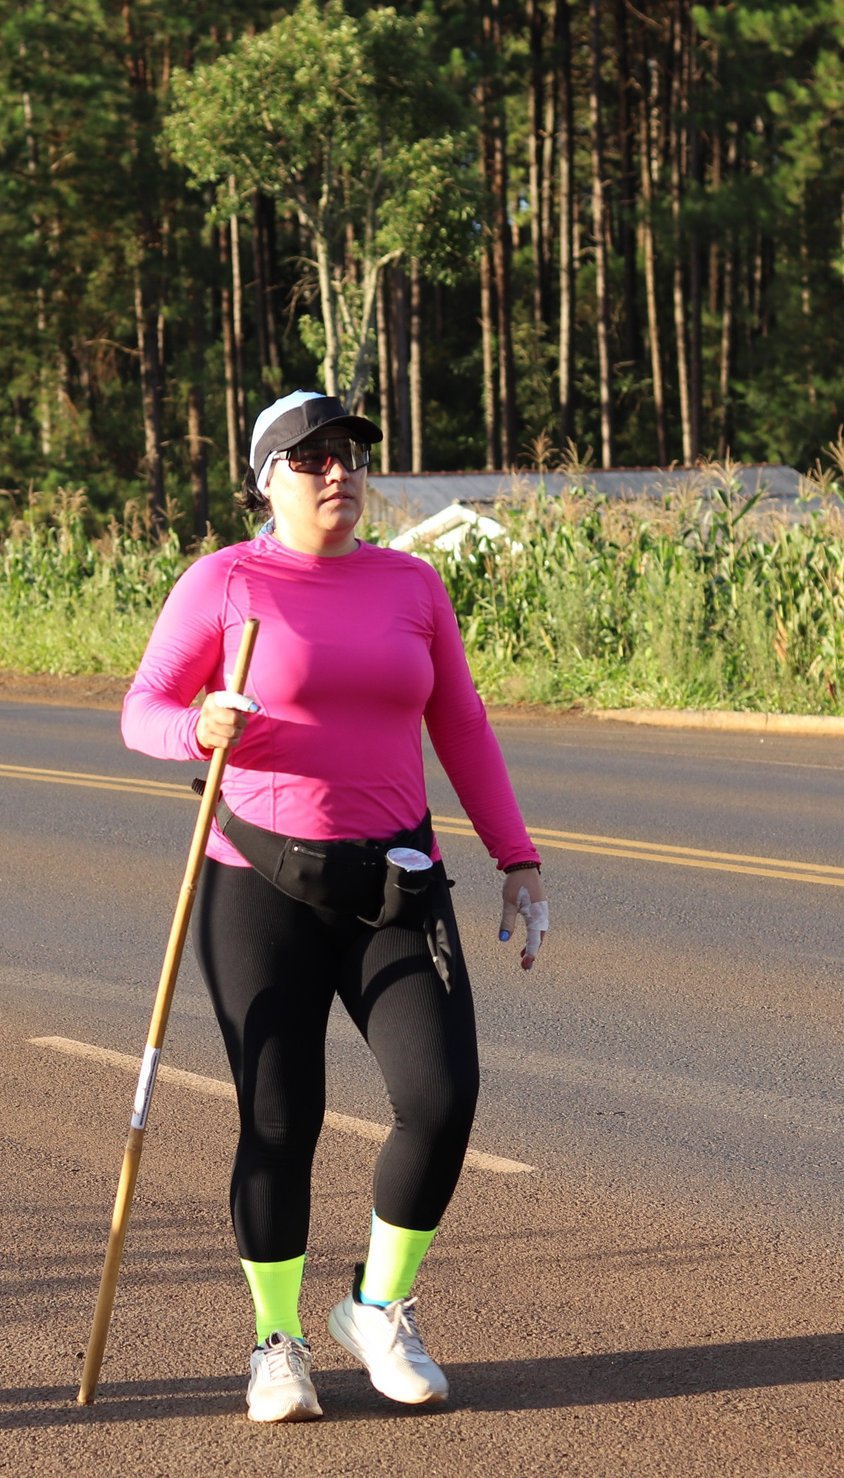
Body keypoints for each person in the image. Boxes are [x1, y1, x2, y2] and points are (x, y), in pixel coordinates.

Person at [120, 391, 550, 1423]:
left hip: (395, 880)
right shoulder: (224, 582)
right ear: (266, 478)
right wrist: (198, 727)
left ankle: (377, 1307)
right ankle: (277, 1342)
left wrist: (517, 856)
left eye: (350, 454)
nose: (337, 472)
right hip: (256, 881)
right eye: (310, 458)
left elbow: (460, 722)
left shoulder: (412, 584)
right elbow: (143, 711)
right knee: (281, 1116)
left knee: (440, 1099)